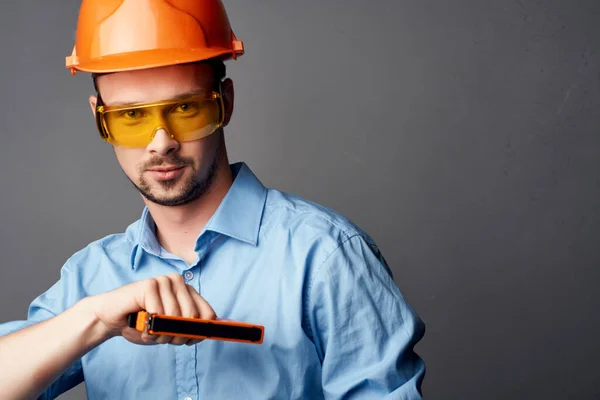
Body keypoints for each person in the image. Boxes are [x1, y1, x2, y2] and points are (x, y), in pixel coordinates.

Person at [0, 1, 426, 399]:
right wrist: (93, 320)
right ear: (100, 119)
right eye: (132, 116)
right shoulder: (89, 278)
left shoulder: (327, 256)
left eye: (185, 109)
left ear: (225, 103)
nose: (161, 143)